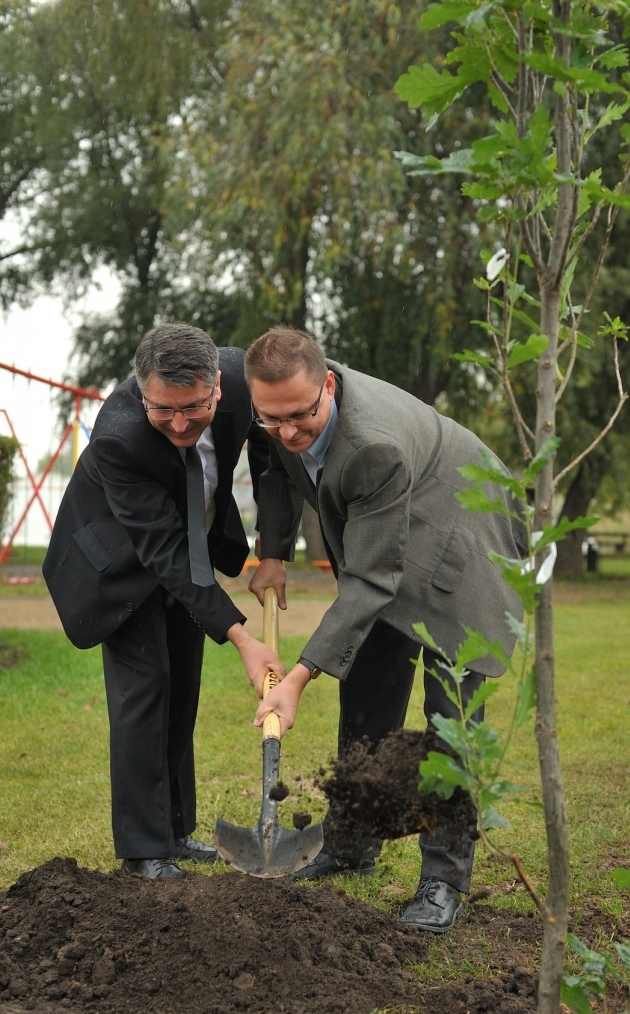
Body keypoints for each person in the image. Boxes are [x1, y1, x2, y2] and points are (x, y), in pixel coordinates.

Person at [247, 327, 527, 932]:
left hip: (464, 533)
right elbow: (275, 470)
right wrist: (272, 551)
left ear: (327, 384)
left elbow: (372, 580)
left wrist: (296, 678)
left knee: (450, 716)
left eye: (301, 417)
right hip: (396, 519)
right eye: (273, 420)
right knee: (369, 687)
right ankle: (351, 844)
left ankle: (443, 881)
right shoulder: (275, 408)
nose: (288, 432)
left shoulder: (372, 447)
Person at [43, 323, 282, 879]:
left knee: (182, 688)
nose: (179, 424)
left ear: (218, 387)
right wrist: (242, 638)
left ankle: (175, 829)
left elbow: (272, 454)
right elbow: (165, 553)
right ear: (141, 389)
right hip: (119, 563)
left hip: (186, 547)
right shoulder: (120, 435)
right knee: (145, 690)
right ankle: (143, 850)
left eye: (193, 408)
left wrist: (275, 546)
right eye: (162, 409)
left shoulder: (248, 384)